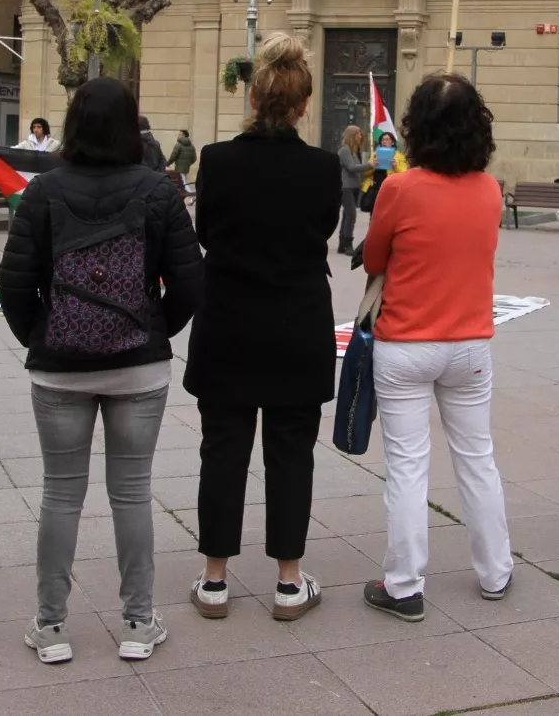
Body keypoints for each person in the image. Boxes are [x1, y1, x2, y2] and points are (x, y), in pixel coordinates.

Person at [0, 78, 204, 664]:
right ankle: (139, 622)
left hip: (59, 371)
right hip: (139, 368)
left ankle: (51, 625)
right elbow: (190, 281)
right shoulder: (159, 191)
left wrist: (44, 336)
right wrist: (153, 327)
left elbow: (14, 283)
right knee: (132, 494)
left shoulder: (43, 192)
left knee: (60, 496)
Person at [185, 34, 340, 622]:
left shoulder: (217, 159)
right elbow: (323, 230)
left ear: (253, 99)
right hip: (298, 325)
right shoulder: (323, 169)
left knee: (222, 449)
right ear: (302, 105)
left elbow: (206, 233)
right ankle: (288, 582)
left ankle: (216, 579)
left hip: (228, 322)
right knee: (291, 453)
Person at [360, 74, 512, 621]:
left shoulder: (400, 189)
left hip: (405, 344)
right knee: (478, 459)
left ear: (416, 127)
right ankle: (496, 570)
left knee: (406, 466)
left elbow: (375, 259)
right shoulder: (489, 190)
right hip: (470, 344)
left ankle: (403, 584)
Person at [337, 124, 371, 255]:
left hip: (353, 186)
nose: (360, 136)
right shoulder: (344, 150)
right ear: (351, 135)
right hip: (345, 187)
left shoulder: (354, 151)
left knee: (347, 214)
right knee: (351, 214)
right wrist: (370, 165)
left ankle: (342, 243)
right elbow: (351, 167)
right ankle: (348, 243)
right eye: (358, 134)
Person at [359, 131, 406, 212]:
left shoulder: (399, 156)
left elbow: (405, 173)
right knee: (374, 213)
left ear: (392, 142)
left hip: (391, 189)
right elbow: (365, 173)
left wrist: (396, 166)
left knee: (389, 213)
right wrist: (373, 166)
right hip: (375, 188)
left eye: (387, 139)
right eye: (383, 140)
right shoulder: (374, 155)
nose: (385, 141)